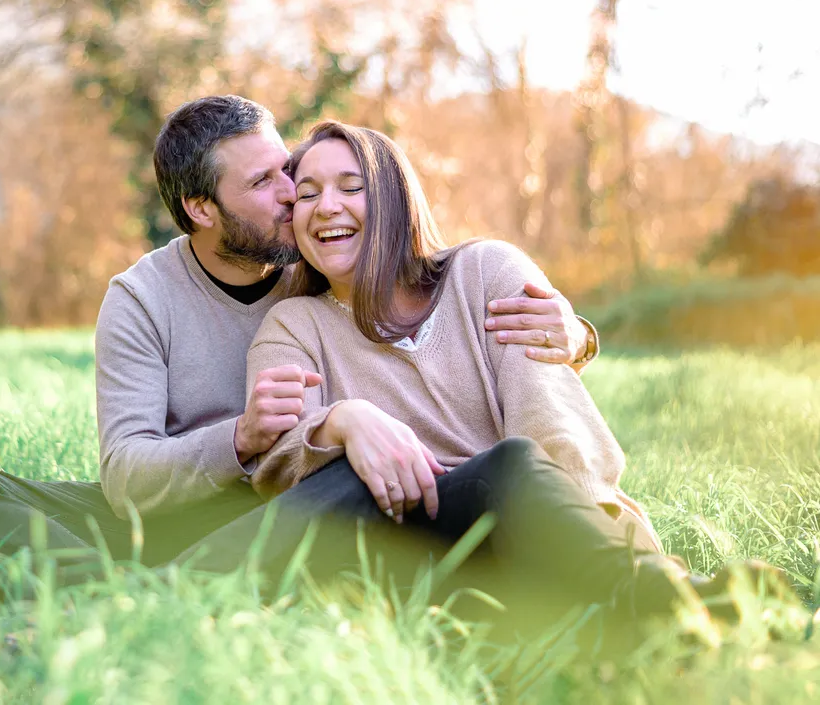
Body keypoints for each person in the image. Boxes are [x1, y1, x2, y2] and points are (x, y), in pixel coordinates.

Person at [0, 96, 598, 584]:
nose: (295, 195)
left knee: (343, 487)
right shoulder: (142, 299)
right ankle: (137, 577)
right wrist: (242, 438)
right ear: (200, 208)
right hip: (182, 509)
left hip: (319, 502)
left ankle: (109, 587)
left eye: (289, 170)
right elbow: (126, 476)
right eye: (268, 183)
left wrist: (574, 333)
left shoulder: (322, 268)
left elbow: (436, 284)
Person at [174, 119, 790, 625]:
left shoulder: (485, 273)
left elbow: (552, 420)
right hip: (415, 543)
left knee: (519, 466)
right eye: (305, 193)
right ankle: (680, 605)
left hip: (544, 529)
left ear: (391, 198)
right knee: (511, 468)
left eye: (350, 186)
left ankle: (667, 603)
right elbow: (282, 463)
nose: (325, 206)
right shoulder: (293, 326)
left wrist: (587, 525)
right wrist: (341, 420)